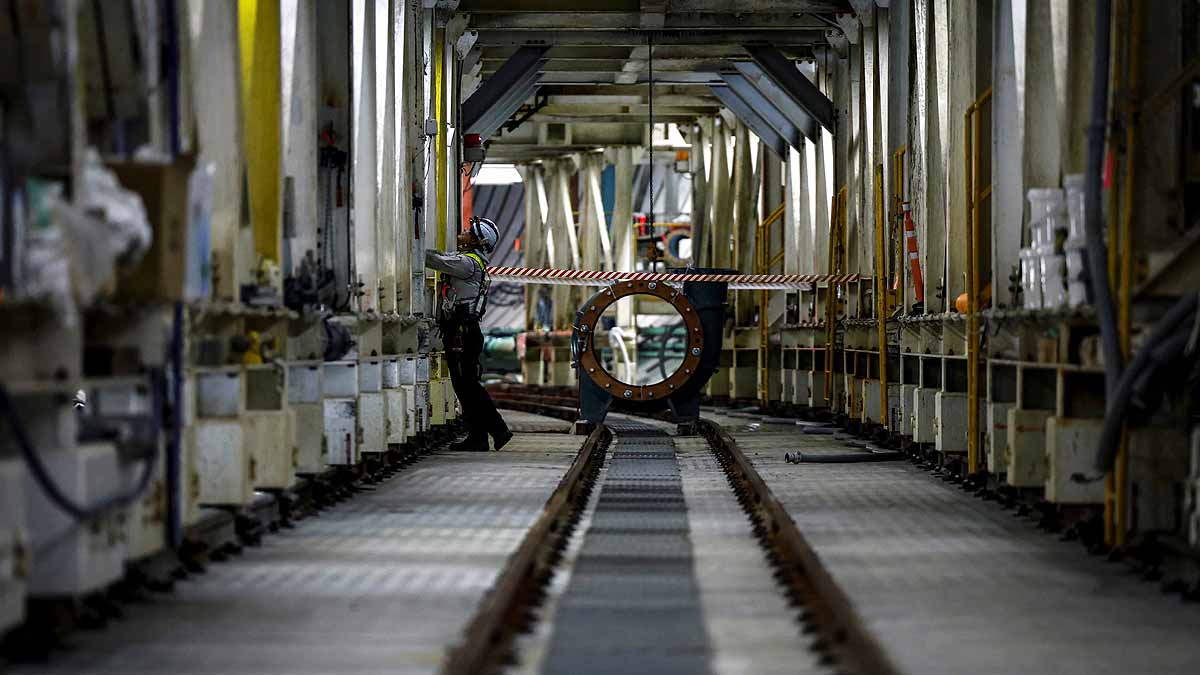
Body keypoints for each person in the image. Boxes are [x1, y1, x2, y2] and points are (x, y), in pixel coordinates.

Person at [424, 216, 513, 452]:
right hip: (463, 331)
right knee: (465, 385)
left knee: (468, 386)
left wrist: (411, 242)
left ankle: (498, 429)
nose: (461, 233)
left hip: (462, 332)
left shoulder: (467, 264)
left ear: (476, 240)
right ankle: (478, 437)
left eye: (467, 231)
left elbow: (431, 259)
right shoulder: (473, 262)